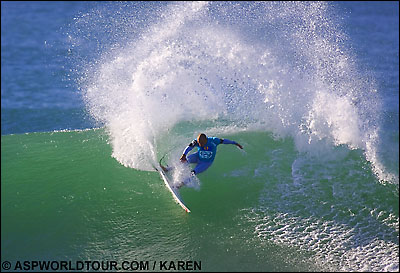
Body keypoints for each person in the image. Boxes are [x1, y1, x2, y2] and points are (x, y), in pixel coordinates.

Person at [178, 133, 243, 175]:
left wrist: (235, 143)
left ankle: (180, 184)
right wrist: (184, 155)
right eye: (199, 143)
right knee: (184, 160)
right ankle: (169, 168)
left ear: (206, 140)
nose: (200, 145)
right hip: (197, 156)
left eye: (202, 143)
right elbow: (189, 147)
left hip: (206, 163)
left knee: (193, 172)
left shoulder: (214, 140)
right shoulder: (196, 141)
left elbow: (224, 141)